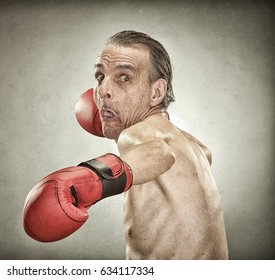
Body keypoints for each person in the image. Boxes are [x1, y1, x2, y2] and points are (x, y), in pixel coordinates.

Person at [23, 30, 228, 260]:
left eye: (124, 78)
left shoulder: (137, 135)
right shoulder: (198, 148)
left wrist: (87, 180)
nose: (102, 91)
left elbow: (160, 152)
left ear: (156, 92)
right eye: (100, 77)